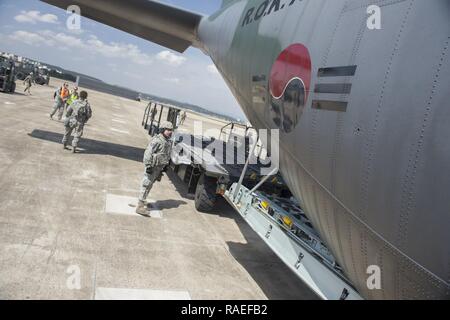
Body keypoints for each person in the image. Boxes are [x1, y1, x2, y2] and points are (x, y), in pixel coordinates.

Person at [136, 120, 173, 216]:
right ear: (163, 129)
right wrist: (148, 166)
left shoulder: (166, 141)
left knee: (150, 185)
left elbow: (165, 154)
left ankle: (143, 201)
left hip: (158, 168)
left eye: (171, 130)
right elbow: (148, 153)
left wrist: (164, 167)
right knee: (146, 184)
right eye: (168, 129)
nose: (170, 132)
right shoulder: (157, 140)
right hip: (152, 167)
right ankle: (140, 206)